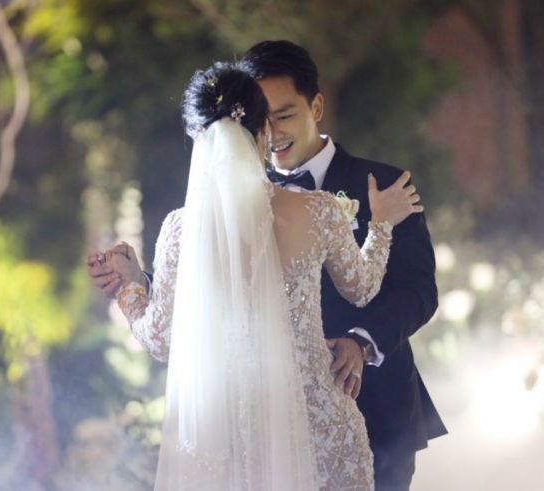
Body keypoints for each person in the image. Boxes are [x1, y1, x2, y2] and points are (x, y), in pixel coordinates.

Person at [87, 62, 422, 490]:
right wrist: (380, 226)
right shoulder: (318, 211)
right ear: (262, 131)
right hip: (320, 423)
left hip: (225, 436)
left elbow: (160, 338)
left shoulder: (179, 229)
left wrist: (131, 286)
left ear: (198, 141)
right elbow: (362, 289)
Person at [237, 40, 447, 490]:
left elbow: (417, 290)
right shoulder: (243, 201)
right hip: (279, 423)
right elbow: (217, 284)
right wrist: (139, 281)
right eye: (260, 119)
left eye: (284, 114)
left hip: (378, 411)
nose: (272, 134)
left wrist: (360, 341)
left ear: (315, 105)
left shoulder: (383, 183)